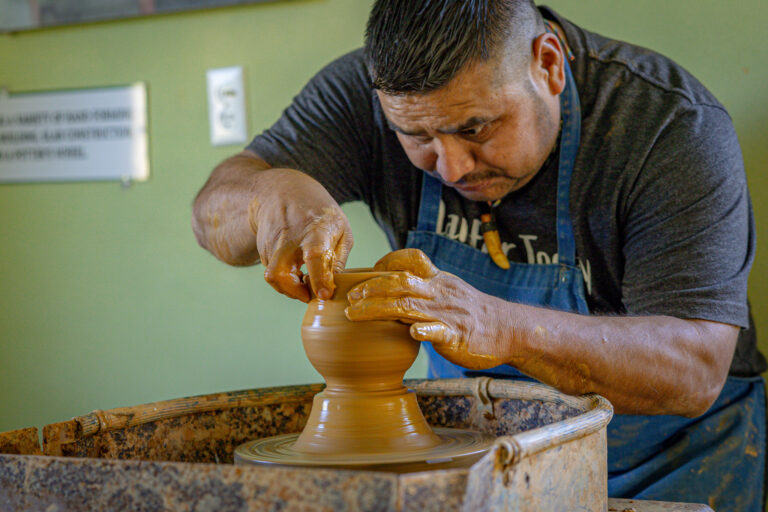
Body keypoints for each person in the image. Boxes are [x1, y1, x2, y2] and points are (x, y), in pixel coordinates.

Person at [192, 1, 765, 509]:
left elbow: (695, 369)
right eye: (418, 138)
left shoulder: (667, 124)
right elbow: (211, 211)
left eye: (476, 127)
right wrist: (269, 196)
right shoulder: (366, 95)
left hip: (669, 466)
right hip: (482, 464)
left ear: (548, 64)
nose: (452, 167)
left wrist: (502, 326)